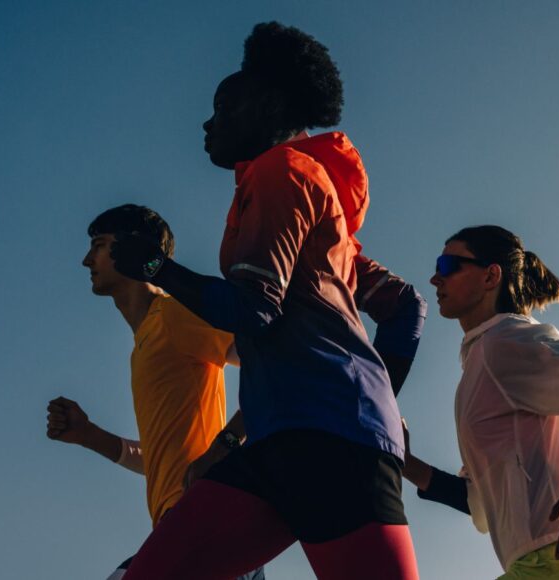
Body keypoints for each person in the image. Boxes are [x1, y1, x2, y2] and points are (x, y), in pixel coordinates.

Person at [109, 22, 424, 580]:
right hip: (289, 440)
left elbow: (253, 310)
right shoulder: (310, 195)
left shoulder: (283, 171)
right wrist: (379, 406)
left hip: (329, 446)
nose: (208, 123)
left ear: (271, 107)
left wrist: (155, 267)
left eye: (224, 106)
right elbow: (402, 306)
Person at [401, 225, 559, 579]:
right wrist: (405, 462)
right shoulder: (481, 363)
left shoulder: (503, 344)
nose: (435, 278)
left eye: (448, 266)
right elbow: (478, 498)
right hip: (547, 565)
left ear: (491, 276)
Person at [46, 204, 264, 580]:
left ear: (131, 247)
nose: (86, 260)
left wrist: (225, 444)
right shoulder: (144, 345)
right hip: (183, 524)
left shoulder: (174, 314)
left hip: (206, 520)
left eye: (99, 245)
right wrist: (89, 435)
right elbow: (162, 459)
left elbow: (272, 362)